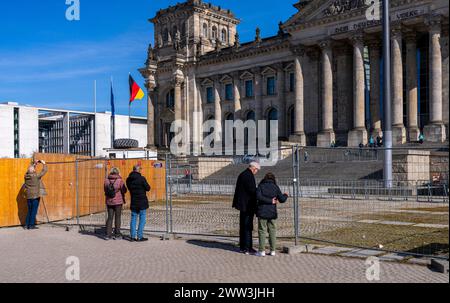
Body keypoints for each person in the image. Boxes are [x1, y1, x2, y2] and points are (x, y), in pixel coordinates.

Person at [255, 173, 288, 257]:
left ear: (265, 178)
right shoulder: (275, 187)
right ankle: (273, 250)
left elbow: (258, 196)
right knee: (272, 231)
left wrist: (268, 200)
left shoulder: (261, 186)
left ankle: (261, 251)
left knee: (262, 231)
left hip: (262, 212)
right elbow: (282, 200)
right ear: (273, 179)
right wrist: (286, 195)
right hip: (272, 212)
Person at [232, 161, 260, 255]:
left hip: (242, 204)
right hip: (248, 205)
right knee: (248, 227)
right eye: (257, 170)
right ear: (253, 168)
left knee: (243, 226)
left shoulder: (242, 174)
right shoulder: (249, 176)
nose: (257, 172)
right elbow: (252, 190)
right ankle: (248, 248)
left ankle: (243, 247)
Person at [126, 165, 151, 242]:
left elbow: (129, 188)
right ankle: (139, 236)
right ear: (138, 170)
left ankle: (132, 236)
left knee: (133, 218)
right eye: (140, 169)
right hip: (142, 202)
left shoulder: (128, 180)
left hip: (134, 201)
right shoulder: (142, 178)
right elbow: (148, 188)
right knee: (142, 219)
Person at [104, 167, 127, 240]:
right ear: (118, 172)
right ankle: (117, 234)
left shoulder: (106, 180)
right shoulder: (120, 180)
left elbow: (105, 190)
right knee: (117, 217)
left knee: (110, 217)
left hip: (109, 201)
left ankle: (108, 234)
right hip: (118, 201)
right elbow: (124, 190)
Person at [24, 160, 48, 230]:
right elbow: (44, 171)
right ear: (34, 171)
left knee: (29, 210)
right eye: (34, 169)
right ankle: (31, 225)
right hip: (35, 197)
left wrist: (34, 164)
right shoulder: (36, 176)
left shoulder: (26, 176)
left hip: (28, 196)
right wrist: (44, 163)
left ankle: (26, 225)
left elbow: (29, 171)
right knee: (33, 211)